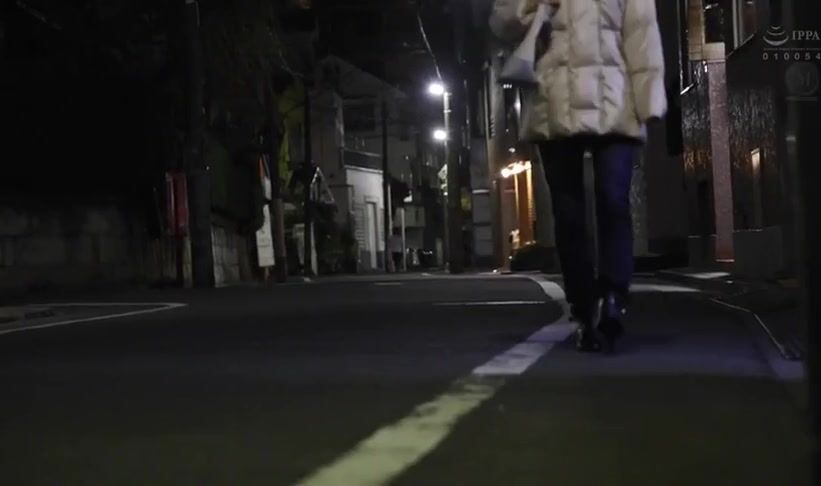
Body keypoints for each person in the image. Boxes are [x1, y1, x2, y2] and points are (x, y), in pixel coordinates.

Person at [490, 0, 666, 351]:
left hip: (615, 98)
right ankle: (584, 306)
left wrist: (649, 102)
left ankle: (613, 295)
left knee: (613, 200)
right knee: (568, 212)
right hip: (553, 98)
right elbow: (503, 23)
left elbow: (642, 33)